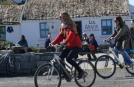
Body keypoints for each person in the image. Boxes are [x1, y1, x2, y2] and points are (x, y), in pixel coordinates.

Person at [51, 11, 84, 79]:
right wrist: (52, 43)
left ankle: (80, 71)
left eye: (60, 17)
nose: (59, 18)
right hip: (69, 46)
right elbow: (60, 37)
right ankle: (65, 73)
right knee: (60, 59)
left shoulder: (71, 26)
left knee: (68, 59)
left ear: (65, 18)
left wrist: (65, 41)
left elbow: (71, 35)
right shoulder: (63, 28)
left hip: (77, 46)